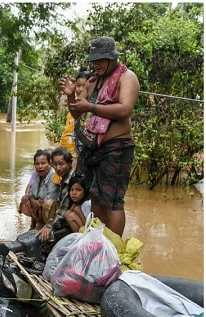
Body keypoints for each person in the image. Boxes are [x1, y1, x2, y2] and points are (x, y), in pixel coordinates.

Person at [60, 36, 140, 236]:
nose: (95, 65)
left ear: (112, 58)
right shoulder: (92, 81)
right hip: (93, 147)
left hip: (116, 147)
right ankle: (98, 242)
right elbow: (78, 112)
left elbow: (125, 110)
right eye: (93, 61)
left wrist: (91, 107)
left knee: (112, 201)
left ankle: (114, 249)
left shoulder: (127, 77)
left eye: (100, 60)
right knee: (95, 196)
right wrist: (71, 96)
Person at [37, 147, 75, 241]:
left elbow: (64, 208)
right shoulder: (64, 178)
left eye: (61, 164)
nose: (58, 168)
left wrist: (49, 226)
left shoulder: (72, 180)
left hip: (73, 219)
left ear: (69, 163)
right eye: (55, 164)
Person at [19, 149, 59, 229]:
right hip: (40, 203)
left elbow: (50, 199)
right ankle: (35, 225)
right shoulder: (37, 175)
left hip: (52, 208)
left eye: (43, 163)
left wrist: (36, 202)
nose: (40, 166)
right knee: (26, 200)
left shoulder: (53, 175)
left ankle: (48, 228)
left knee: (46, 204)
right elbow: (31, 192)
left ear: (49, 163)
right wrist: (33, 200)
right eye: (37, 164)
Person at [59, 69, 90, 168]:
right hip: (73, 154)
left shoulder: (95, 106)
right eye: (78, 85)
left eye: (84, 86)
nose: (80, 89)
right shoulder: (75, 106)